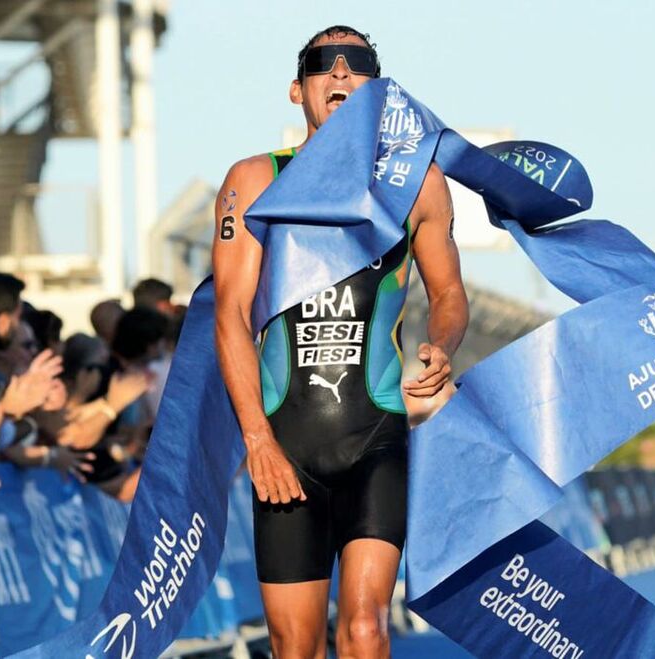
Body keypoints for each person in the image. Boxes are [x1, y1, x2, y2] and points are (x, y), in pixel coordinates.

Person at [213, 25, 467, 658]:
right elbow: (230, 316)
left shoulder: (417, 186)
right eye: (325, 68)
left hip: (373, 437)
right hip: (285, 447)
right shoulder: (254, 180)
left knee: (363, 628)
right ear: (298, 90)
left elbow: (450, 295)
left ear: (377, 91)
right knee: (294, 645)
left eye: (356, 69)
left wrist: (441, 343)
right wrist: (257, 440)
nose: (340, 78)